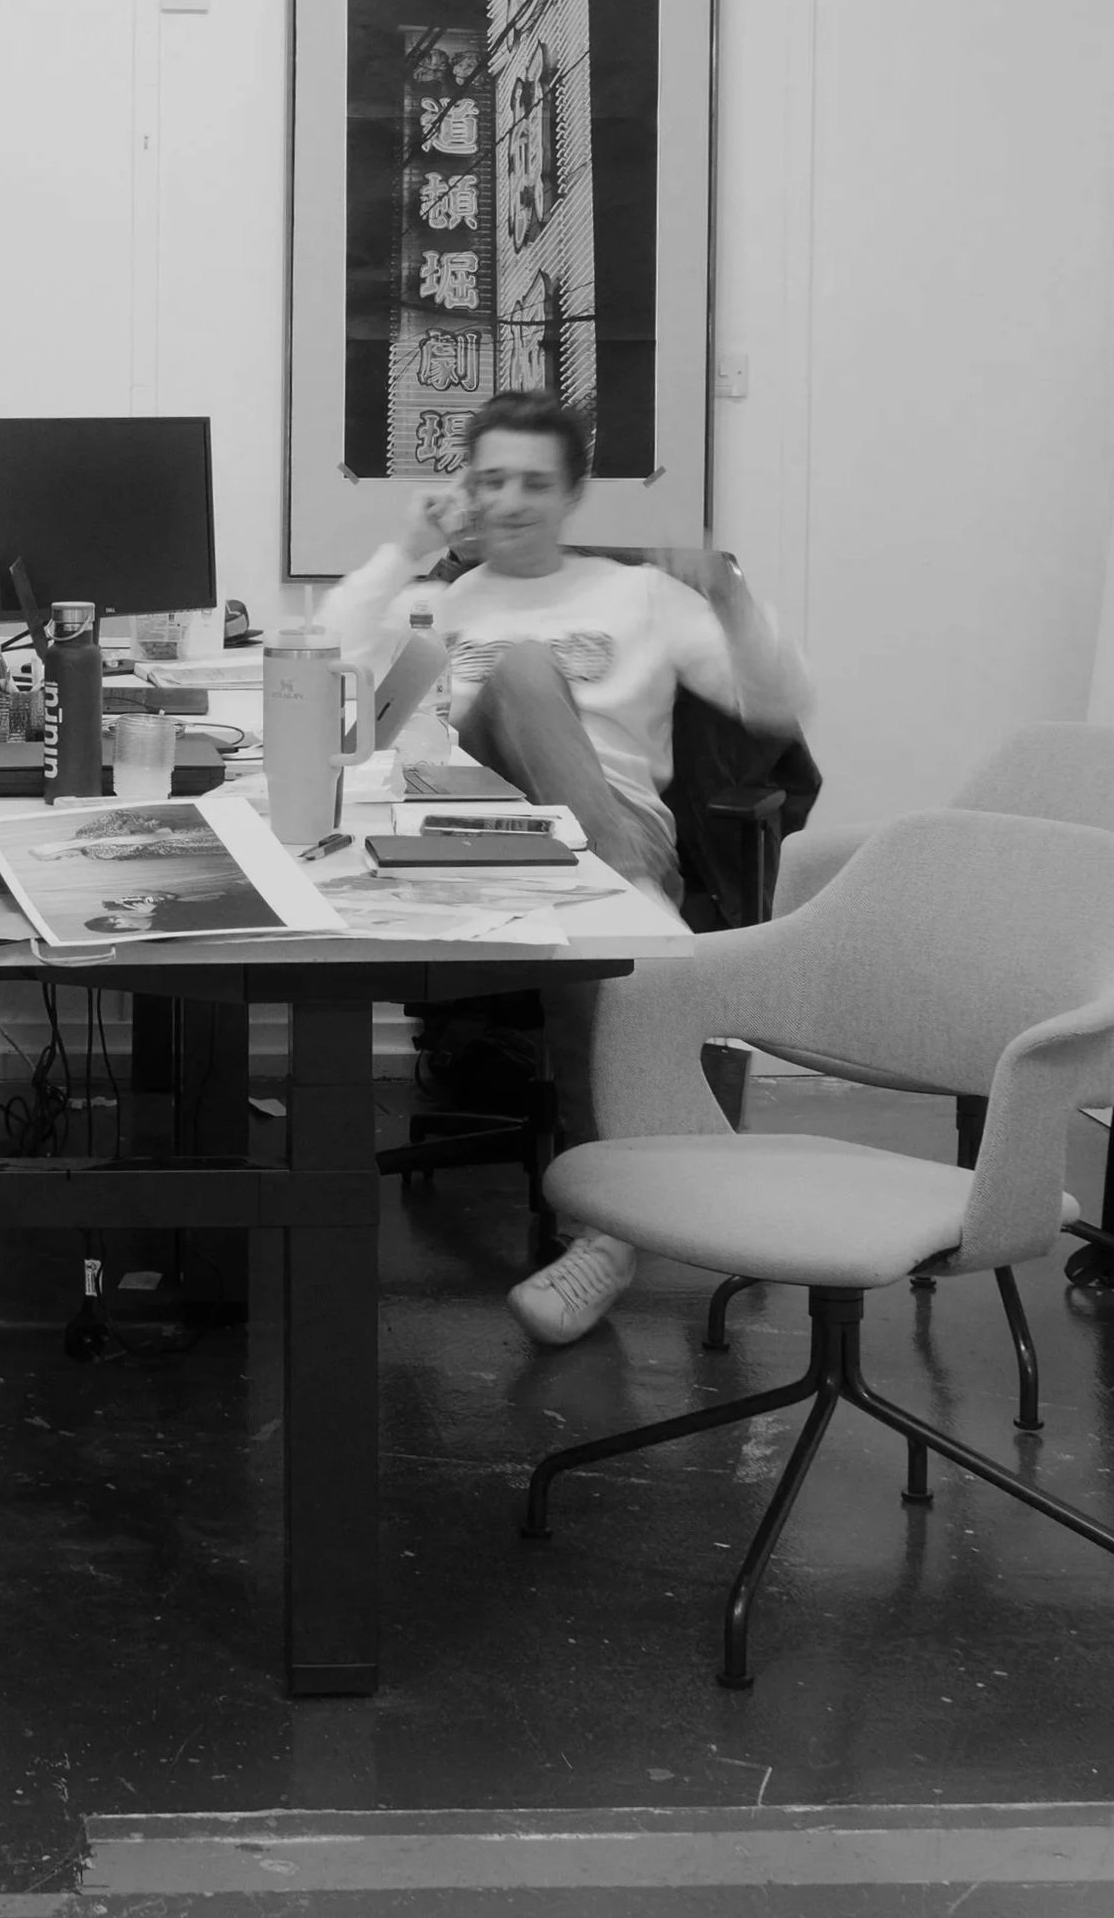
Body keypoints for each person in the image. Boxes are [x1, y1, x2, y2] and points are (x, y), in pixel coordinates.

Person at [319, 390, 812, 1349]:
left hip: (609, 831)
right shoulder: (444, 602)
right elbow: (325, 664)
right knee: (523, 675)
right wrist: (408, 548)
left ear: (573, 494)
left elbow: (777, 705)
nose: (509, 502)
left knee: (593, 942)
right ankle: (645, 936)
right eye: (490, 480)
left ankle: (605, 1235)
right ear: (466, 488)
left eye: (534, 484)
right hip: (470, 835)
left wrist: (730, 598)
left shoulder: (639, 597)